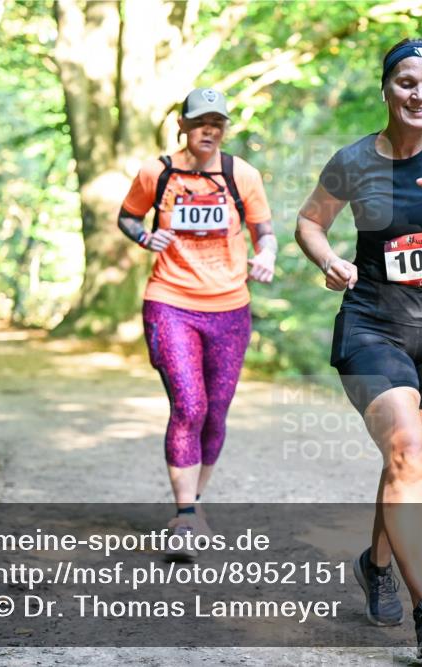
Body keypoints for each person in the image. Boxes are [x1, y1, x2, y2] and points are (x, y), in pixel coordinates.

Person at [295, 38, 422, 658]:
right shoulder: (354, 161)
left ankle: (376, 563)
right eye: (407, 83)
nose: (420, 95)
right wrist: (330, 258)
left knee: (409, 460)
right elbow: (310, 222)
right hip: (373, 323)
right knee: (408, 449)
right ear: (386, 89)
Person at [117, 87, 277, 561]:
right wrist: (146, 236)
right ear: (183, 125)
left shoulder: (241, 175)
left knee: (217, 410)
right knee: (189, 403)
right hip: (170, 301)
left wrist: (266, 252)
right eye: (201, 122)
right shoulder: (158, 172)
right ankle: (184, 516)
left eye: (218, 123)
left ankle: (196, 504)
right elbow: (126, 218)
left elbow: (264, 229)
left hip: (230, 308)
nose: (210, 130)